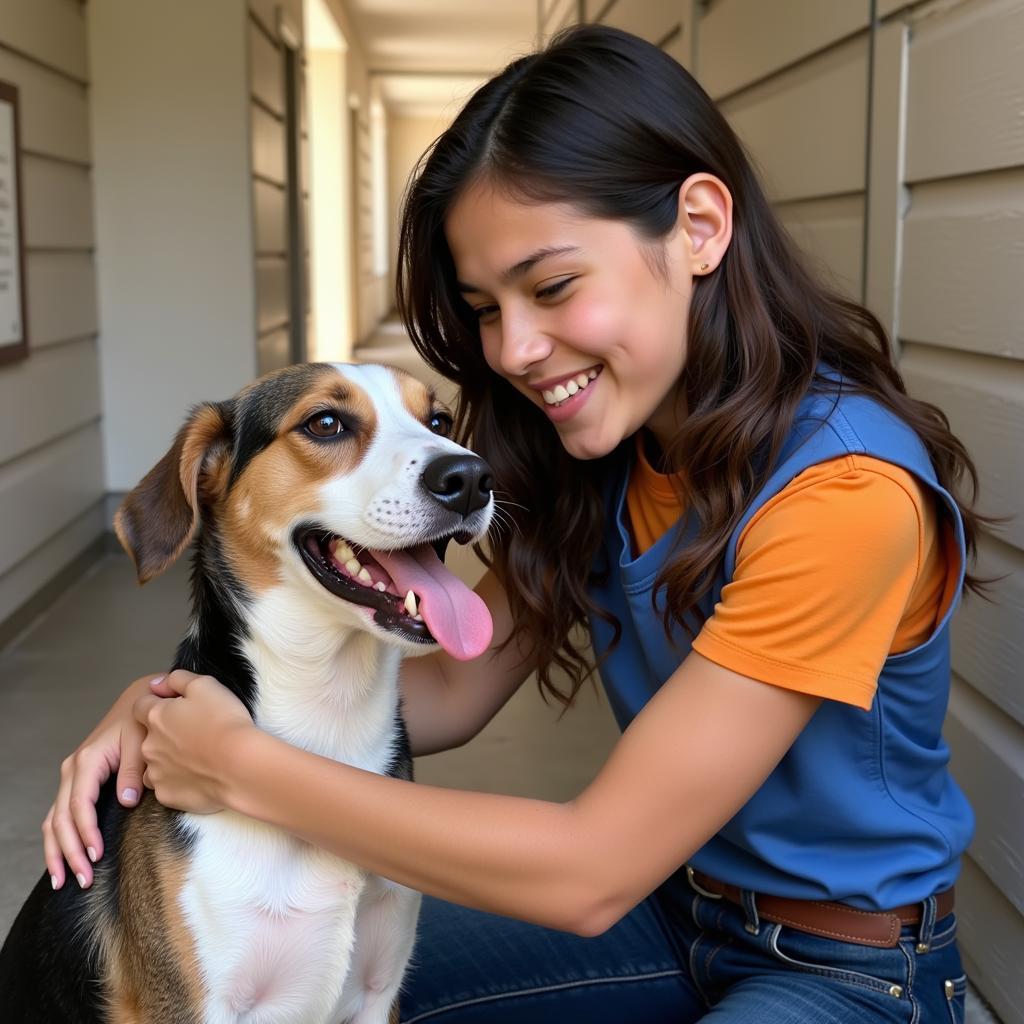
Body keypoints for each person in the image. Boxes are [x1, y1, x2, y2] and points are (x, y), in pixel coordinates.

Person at [44, 25, 985, 1023]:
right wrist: (166, 704)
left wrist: (237, 765)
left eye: (552, 286)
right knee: (322, 985)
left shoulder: (844, 492)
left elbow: (589, 869)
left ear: (699, 226)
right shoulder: (611, 456)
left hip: (842, 970)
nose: (515, 348)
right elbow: (445, 688)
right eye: (485, 306)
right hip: (675, 917)